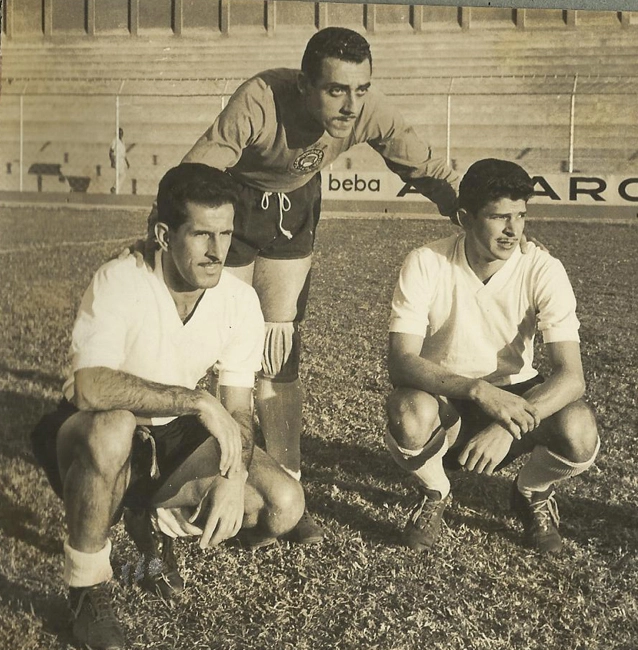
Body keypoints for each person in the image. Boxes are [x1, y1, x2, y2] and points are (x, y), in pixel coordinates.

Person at [146, 27, 461, 544]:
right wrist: (166, 222)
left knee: (280, 348)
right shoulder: (260, 98)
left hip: (295, 207)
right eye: (336, 90)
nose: (351, 104)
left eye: (360, 90)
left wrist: (461, 204)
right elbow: (201, 165)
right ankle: (216, 472)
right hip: (234, 203)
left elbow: (421, 163)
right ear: (304, 85)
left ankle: (287, 483)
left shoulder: (368, 109)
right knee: (227, 344)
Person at [31, 163, 304, 650]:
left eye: (226, 233)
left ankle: (151, 521)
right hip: (90, 433)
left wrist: (233, 476)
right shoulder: (120, 279)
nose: (218, 251)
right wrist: (196, 400)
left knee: (283, 505)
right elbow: (90, 387)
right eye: (202, 234)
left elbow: (238, 409)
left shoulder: (239, 301)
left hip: (171, 436)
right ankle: (86, 589)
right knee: (114, 428)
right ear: (164, 233)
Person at [385, 158, 599, 555]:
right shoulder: (426, 261)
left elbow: (571, 376)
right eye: (500, 217)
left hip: (518, 398)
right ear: (465, 218)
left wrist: (508, 425)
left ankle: (532, 492)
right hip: (448, 400)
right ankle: (436, 491)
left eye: (520, 216)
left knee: (580, 428)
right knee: (407, 410)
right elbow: (401, 361)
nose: (513, 231)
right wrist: (479, 391)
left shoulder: (542, 268)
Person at [109, 127, 129, 194]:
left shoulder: (123, 141)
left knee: (121, 175)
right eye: (119, 133)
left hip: (122, 160)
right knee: (122, 174)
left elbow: (124, 153)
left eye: (121, 133)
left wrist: (127, 162)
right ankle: (114, 188)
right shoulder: (115, 141)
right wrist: (112, 161)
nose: (121, 134)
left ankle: (115, 189)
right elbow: (111, 151)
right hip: (117, 158)